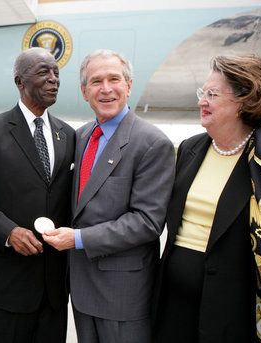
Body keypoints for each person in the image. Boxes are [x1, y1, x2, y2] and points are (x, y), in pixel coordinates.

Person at [43, 49, 175, 343]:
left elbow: (147, 222)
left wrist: (77, 239)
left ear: (128, 86)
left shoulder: (152, 143)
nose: (105, 89)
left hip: (122, 294)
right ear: (84, 91)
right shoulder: (80, 136)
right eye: (96, 81)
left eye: (114, 79)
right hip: (81, 289)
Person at [152, 55, 261, 342]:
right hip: (172, 305)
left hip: (231, 309)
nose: (202, 101)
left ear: (245, 102)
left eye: (212, 94)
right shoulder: (191, 148)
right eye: (203, 93)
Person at [0, 47, 75, 343]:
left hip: (53, 287)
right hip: (9, 284)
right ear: (19, 81)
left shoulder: (68, 134)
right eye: (43, 72)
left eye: (56, 73)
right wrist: (9, 232)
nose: (53, 80)